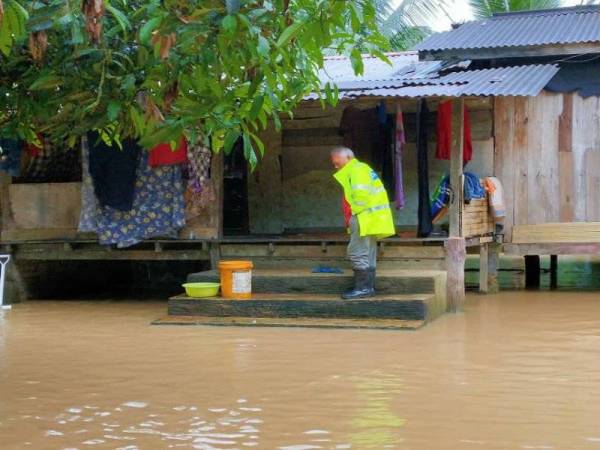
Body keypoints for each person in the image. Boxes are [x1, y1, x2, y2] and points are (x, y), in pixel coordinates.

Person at [331, 146, 395, 299]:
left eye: (336, 162)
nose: (335, 166)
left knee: (358, 252)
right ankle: (368, 288)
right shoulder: (363, 169)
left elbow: (360, 196)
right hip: (369, 218)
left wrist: (354, 214)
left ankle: (362, 289)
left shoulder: (356, 170)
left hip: (362, 217)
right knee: (369, 253)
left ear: (347, 158)